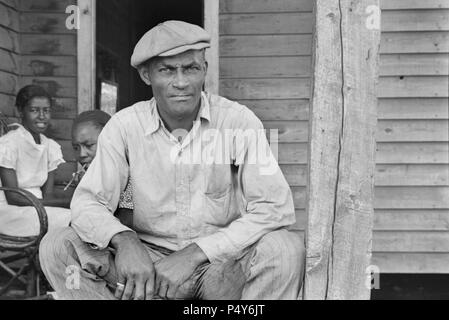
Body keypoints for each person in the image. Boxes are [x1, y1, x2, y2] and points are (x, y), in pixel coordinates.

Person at [39, 20, 305, 300]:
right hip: (146, 266)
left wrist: (195, 254)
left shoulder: (238, 121)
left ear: (204, 69)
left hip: (219, 266)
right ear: (146, 75)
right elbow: (88, 202)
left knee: (284, 250)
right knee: (58, 245)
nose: (181, 82)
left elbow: (275, 208)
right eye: (167, 70)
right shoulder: (124, 126)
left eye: (190, 68)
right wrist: (125, 240)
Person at [0, 85, 71, 237]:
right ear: (21, 111)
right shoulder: (8, 144)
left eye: (46, 110)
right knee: (72, 219)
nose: (42, 116)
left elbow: (48, 194)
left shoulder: (50, 147)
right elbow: (13, 197)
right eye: (34, 110)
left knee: (81, 215)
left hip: (38, 208)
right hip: (11, 212)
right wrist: (65, 203)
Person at [70, 110, 133, 226]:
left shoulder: (130, 177)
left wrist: (93, 191)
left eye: (89, 145)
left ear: (111, 140)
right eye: (76, 147)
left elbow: (124, 224)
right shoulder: (90, 177)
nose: (81, 154)